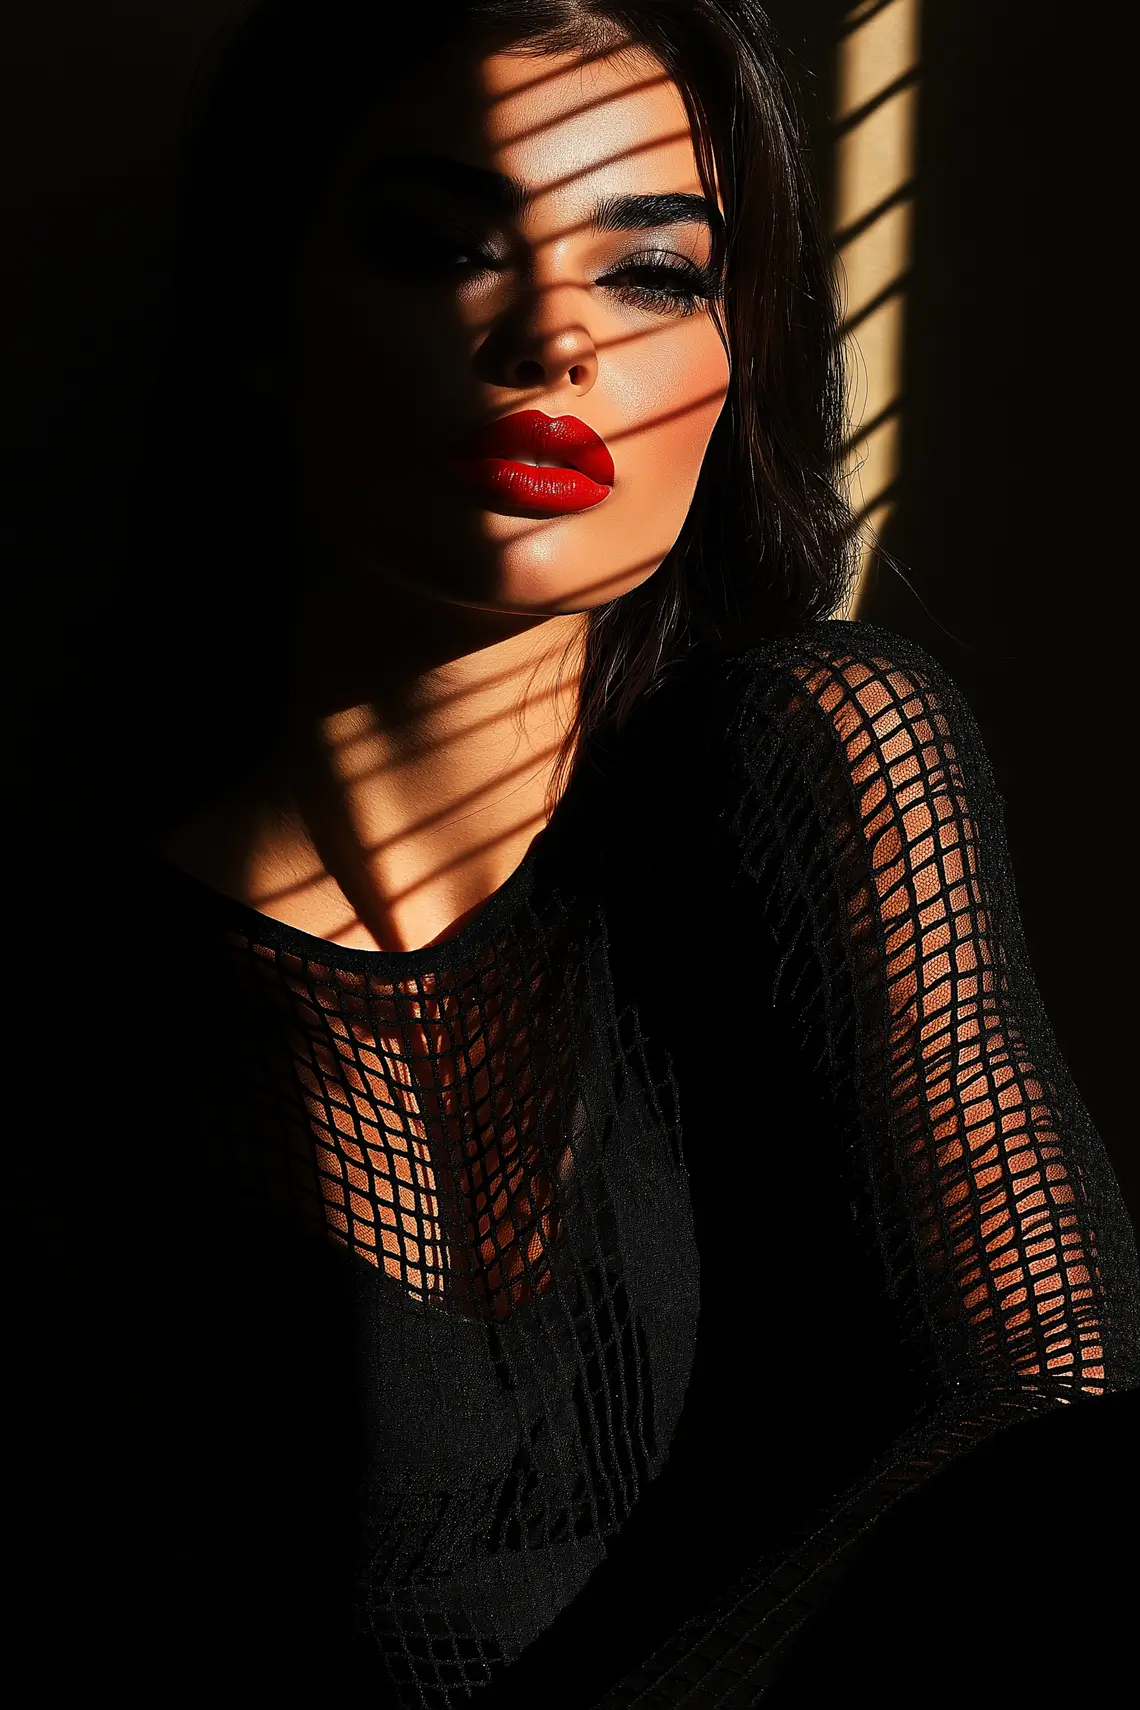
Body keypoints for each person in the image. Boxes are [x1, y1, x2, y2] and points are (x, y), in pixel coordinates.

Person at [8, 2, 1138, 1704]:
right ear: (263, 319)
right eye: (444, 246)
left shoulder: (815, 762)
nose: (553, 339)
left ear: (741, 351)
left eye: (655, 274)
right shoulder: (61, 1010)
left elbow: (1034, 1422)